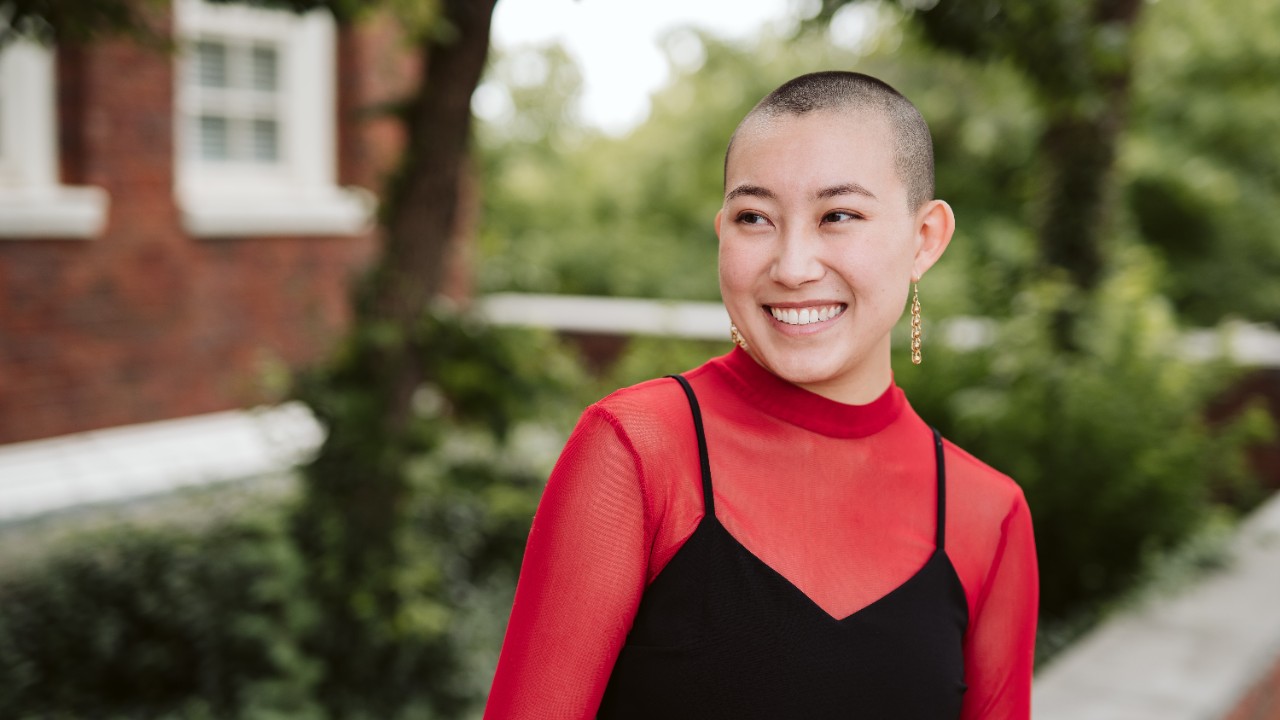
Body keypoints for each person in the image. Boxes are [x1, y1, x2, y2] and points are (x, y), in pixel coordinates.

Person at [484, 71, 1038, 719]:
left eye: (838, 216)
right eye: (755, 218)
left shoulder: (988, 516)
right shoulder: (637, 450)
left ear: (925, 240)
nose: (793, 265)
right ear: (723, 231)